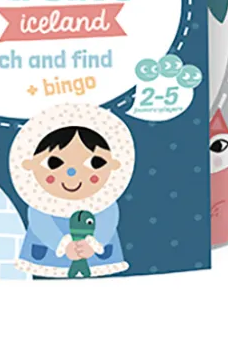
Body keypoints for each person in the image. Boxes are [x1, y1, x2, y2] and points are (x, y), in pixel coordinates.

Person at [9, 102, 135, 278]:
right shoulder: (40, 203)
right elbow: (41, 226)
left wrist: (93, 244)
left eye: (95, 163)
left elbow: (107, 224)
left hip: (97, 259)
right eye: (54, 163)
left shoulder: (105, 202)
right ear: (30, 165)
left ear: (114, 165)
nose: (72, 174)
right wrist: (61, 244)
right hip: (49, 258)